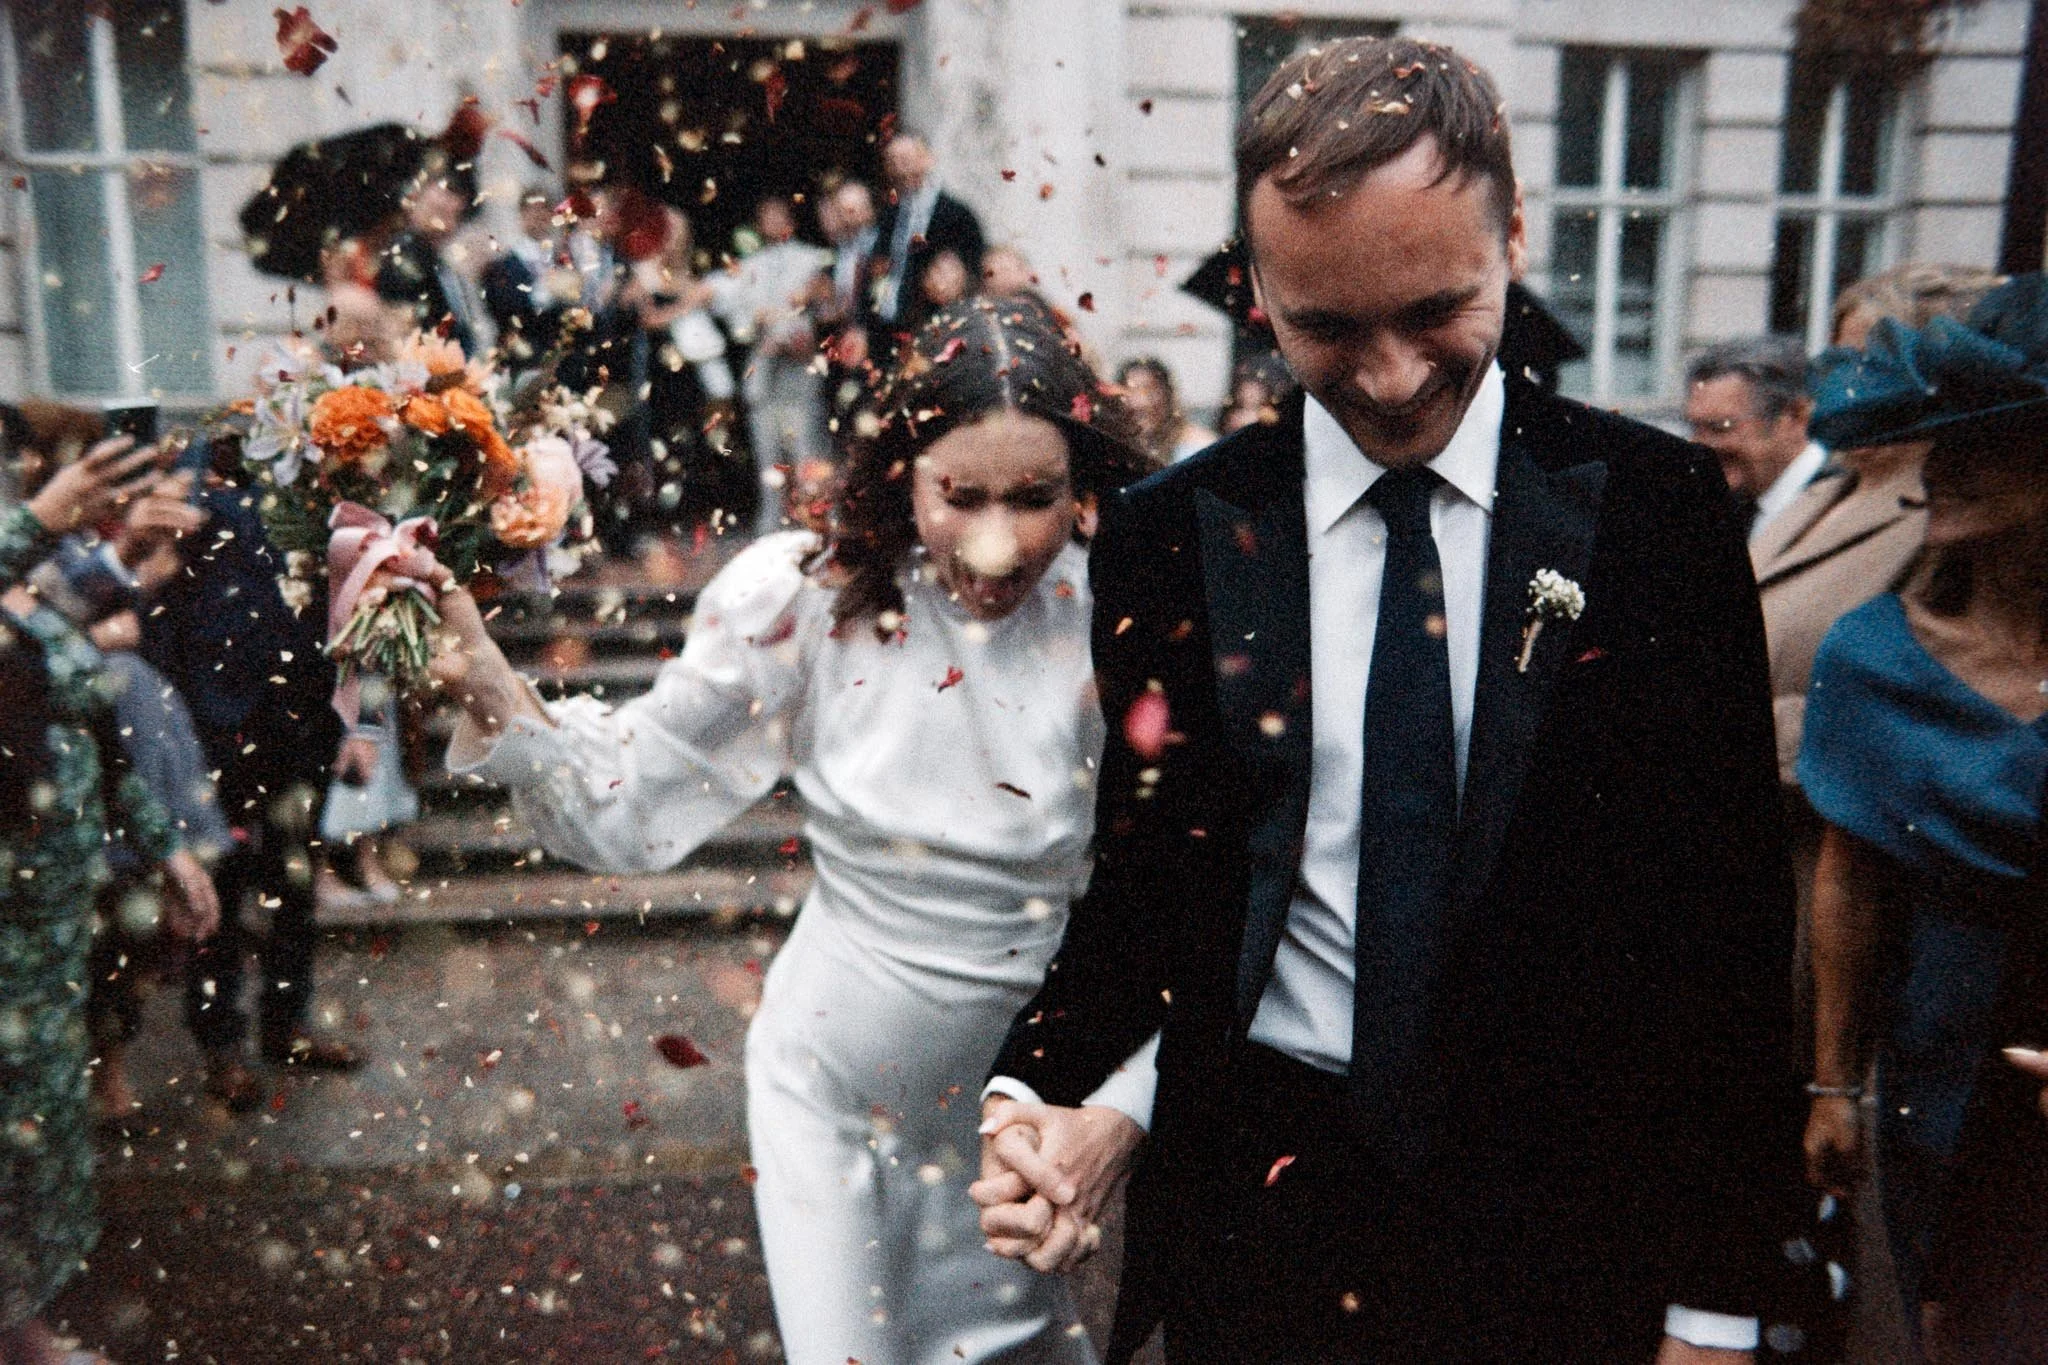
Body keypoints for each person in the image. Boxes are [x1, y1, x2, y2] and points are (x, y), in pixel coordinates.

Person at [971, 36, 1800, 1364]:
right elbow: (1147, 884)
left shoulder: (1656, 515)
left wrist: (1715, 1305)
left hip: (1568, 1223)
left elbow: (1726, 935)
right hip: (1261, 1216)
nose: (1394, 374)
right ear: (1256, 290)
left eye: (1435, 310)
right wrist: (1034, 1091)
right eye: (1328, 326)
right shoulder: (1173, 532)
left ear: (1512, 238)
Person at [429, 297, 1148, 1364]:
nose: (996, 541)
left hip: (1017, 1101)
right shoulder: (807, 600)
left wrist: (1114, 1107)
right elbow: (628, 803)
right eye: (959, 496)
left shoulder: (1131, 614)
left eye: (1033, 498)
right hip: (828, 1090)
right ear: (903, 476)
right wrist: (488, 683)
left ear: (1082, 485)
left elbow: (1198, 903)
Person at [1800, 275, 2048, 1363]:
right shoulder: (1874, 655)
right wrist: (1832, 1084)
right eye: (1934, 440)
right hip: (1937, 1063)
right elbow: (1848, 879)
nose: (1940, 468)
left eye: (1983, 443)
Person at [1, 435, 219, 1365]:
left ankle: (21, 1322)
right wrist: (31, 524)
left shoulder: (34, 596)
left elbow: (90, 725)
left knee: (42, 1126)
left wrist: (169, 849)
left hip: (52, 923)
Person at [140, 433, 359, 1110]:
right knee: (221, 885)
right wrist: (174, 715)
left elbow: (353, 599)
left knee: (295, 879)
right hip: (217, 717)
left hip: (302, 713)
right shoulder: (195, 472)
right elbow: (161, 604)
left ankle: (287, 1023)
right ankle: (221, 1044)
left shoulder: (329, 472)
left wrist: (359, 716)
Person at [707, 197, 833, 538]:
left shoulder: (813, 259)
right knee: (768, 455)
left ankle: (814, 526)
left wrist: (795, 329)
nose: (774, 223)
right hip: (763, 370)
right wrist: (758, 323)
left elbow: (825, 309)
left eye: (780, 216)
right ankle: (771, 527)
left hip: (799, 369)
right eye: (767, 217)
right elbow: (735, 317)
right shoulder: (749, 266)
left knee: (805, 451)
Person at [1683, 337, 1824, 543]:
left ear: (1796, 417)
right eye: (1694, 427)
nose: (1699, 446)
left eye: (1720, 427)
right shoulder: (1724, 508)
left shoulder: (1844, 506)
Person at [871, 131, 986, 340]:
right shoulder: (888, 215)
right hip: (886, 327)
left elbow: (974, 273)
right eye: (892, 162)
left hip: (936, 328)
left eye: (905, 159)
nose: (900, 169)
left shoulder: (958, 215)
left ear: (928, 159)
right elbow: (876, 269)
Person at [376, 151, 485, 357]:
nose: (448, 221)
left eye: (454, 214)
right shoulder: (405, 255)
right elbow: (409, 327)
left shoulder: (435, 259)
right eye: (439, 210)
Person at [481, 186, 580, 373]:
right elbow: (502, 309)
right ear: (522, 214)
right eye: (532, 210)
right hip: (522, 360)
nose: (538, 216)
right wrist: (543, 291)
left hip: (559, 361)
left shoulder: (561, 260)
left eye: (544, 210)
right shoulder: (504, 266)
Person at [1114, 357, 1217, 466]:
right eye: (1130, 392)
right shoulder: (1118, 448)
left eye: (1150, 391)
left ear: (1168, 396)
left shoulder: (1197, 449)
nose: (1141, 403)